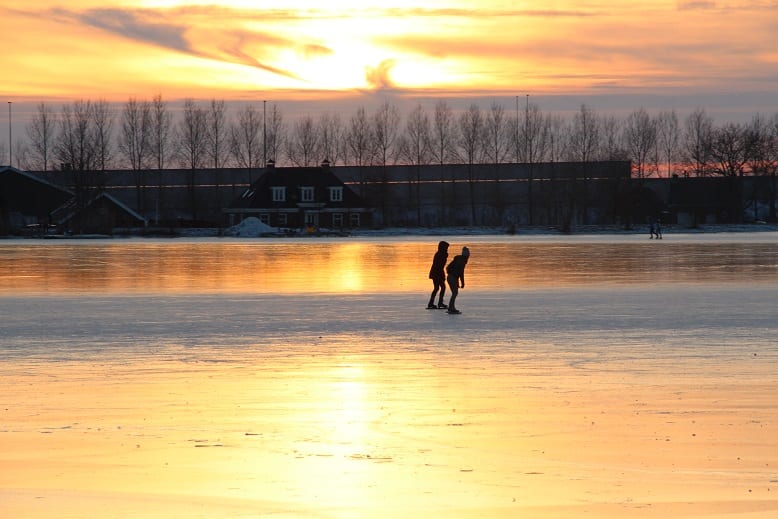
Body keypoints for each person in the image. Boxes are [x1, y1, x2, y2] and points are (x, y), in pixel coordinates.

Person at [445, 246, 470, 314]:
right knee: (455, 293)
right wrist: (462, 283)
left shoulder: (459, 259)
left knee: (454, 293)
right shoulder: (462, 261)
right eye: (468, 254)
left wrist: (458, 282)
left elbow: (456, 272)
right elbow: (460, 273)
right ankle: (451, 308)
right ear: (466, 255)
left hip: (450, 277)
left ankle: (451, 307)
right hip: (452, 277)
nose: (469, 256)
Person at [427, 240, 449, 309]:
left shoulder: (440, 253)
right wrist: (441, 275)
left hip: (436, 272)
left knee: (438, 288)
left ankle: (433, 303)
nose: (447, 249)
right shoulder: (441, 254)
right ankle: (438, 303)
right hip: (437, 272)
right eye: (446, 247)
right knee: (440, 288)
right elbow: (439, 266)